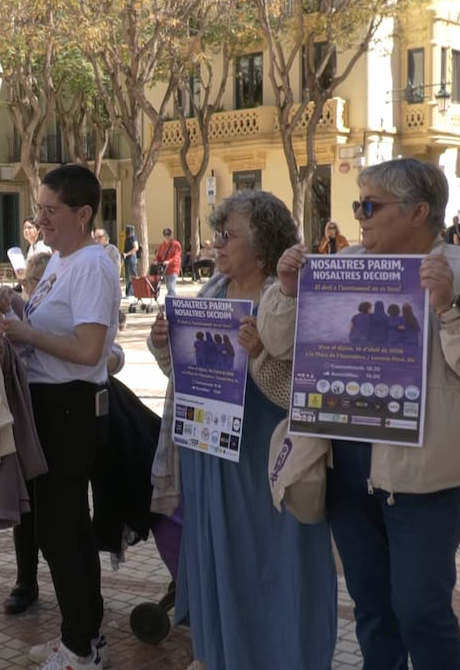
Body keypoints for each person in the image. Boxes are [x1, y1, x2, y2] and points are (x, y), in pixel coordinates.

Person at [263, 158, 460, 669]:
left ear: (419, 212)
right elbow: (281, 345)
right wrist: (286, 291)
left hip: (428, 476)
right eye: (358, 205)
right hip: (348, 468)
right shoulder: (341, 265)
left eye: (369, 205)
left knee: (420, 609)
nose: (359, 216)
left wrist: (451, 309)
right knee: (373, 609)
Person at [148, 190, 336, 669]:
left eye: (228, 235)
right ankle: (226, 655)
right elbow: (184, 378)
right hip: (214, 456)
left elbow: (307, 393)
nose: (217, 244)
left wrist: (259, 358)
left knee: (280, 562)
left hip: (271, 456)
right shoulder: (211, 293)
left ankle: (284, 655)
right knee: (223, 561)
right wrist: (163, 346)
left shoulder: (292, 297)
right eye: (218, 235)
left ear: (263, 242)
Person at [0, 164, 119, 670]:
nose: (39, 219)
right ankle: (84, 636)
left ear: (82, 214)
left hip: (69, 409)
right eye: (38, 208)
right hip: (53, 407)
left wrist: (24, 334)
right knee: (70, 529)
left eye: (50, 210)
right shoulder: (64, 261)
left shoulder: (90, 264)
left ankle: (78, 649)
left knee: (58, 531)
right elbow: (59, 327)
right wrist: (18, 306)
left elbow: (88, 350)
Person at [1, 249, 53, 617]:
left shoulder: (55, 319)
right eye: (34, 284)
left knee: (60, 510)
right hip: (24, 419)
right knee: (26, 506)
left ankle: (73, 585)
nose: (35, 292)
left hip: (58, 420)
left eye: (44, 286)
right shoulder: (18, 314)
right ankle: (25, 579)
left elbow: (111, 357)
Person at [154, 227, 182, 297]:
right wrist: (156, 261)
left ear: (171, 235)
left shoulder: (176, 244)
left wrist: (169, 261)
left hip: (173, 268)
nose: (167, 236)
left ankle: (172, 301)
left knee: (171, 287)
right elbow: (158, 256)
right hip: (165, 269)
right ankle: (171, 300)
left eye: (168, 234)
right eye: (165, 235)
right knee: (168, 287)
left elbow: (177, 256)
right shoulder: (162, 245)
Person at [122, 224, 140, 298]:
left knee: (132, 276)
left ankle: (134, 292)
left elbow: (136, 247)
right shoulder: (127, 238)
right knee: (127, 276)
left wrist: (127, 254)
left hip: (131, 259)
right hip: (127, 259)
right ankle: (129, 293)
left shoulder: (133, 237)